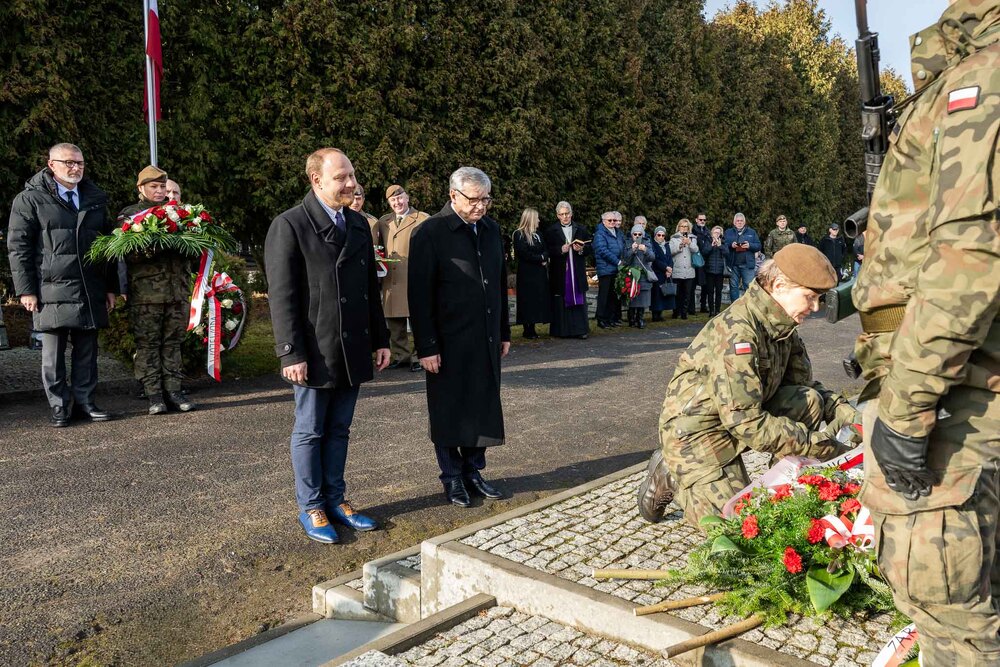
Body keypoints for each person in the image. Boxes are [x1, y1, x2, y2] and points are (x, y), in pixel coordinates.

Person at [852, 2, 999, 662]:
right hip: (964, 374)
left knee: (949, 606)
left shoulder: (985, 75)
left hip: (957, 391)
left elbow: (969, 256)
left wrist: (906, 414)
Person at [638, 245, 857, 528]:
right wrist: (824, 447)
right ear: (779, 285)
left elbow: (804, 386)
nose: (815, 308)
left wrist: (849, 414)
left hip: (739, 416)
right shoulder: (738, 332)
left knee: (809, 400)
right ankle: (671, 472)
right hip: (697, 434)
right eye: (810, 297)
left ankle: (786, 483)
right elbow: (746, 423)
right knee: (738, 530)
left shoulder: (781, 325)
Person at [264, 147, 391, 543]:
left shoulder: (356, 224)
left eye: (352, 175)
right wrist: (291, 352)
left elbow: (368, 287)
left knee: (339, 429)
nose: (351, 184)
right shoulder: (290, 225)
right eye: (342, 178)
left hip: (351, 346)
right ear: (316, 180)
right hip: (314, 348)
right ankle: (312, 505)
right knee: (310, 430)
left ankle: (336, 499)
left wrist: (381, 338)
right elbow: (282, 295)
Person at [408, 167, 511, 508]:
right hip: (447, 341)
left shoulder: (492, 230)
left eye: (486, 199)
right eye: (473, 200)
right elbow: (419, 295)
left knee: (481, 405)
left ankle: (473, 470)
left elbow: (498, 283)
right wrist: (426, 346)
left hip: (485, 336)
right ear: (453, 195)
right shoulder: (430, 233)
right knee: (450, 409)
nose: (480, 206)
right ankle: (451, 476)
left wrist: (503, 331)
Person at [7, 142, 116, 426]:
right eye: (68, 162)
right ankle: (59, 406)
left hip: (89, 286)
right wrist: (26, 289)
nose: (75, 168)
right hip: (48, 288)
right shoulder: (29, 199)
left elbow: (109, 246)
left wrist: (110, 287)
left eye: (79, 163)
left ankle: (85, 403)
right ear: (51, 164)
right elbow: (18, 247)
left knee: (87, 352)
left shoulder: (94, 197)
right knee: (52, 355)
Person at [119, 166, 196, 415]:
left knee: (174, 343)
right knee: (148, 345)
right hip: (147, 295)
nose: (160, 191)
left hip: (177, 292)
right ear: (141, 188)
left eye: (163, 187)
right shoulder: (130, 217)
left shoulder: (180, 214)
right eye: (154, 186)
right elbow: (126, 255)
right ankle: (154, 395)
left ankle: (174, 391)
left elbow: (193, 253)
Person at [377, 185, 429, 371]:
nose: (397, 202)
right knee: (394, 322)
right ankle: (401, 355)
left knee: (418, 320)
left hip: (414, 276)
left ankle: (419, 356)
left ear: (407, 198)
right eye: (393, 200)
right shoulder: (383, 222)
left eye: (400, 198)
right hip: (391, 278)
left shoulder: (422, 219)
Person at [542, 201, 591, 338]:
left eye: (567, 213)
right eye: (562, 214)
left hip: (577, 271)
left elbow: (589, 248)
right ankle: (562, 331)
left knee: (578, 298)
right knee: (561, 301)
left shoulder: (581, 229)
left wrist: (581, 249)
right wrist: (560, 250)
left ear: (571, 213)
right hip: (560, 272)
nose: (565, 217)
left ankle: (580, 330)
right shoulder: (551, 231)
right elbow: (547, 250)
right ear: (557, 215)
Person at [512, 208, 550, 339]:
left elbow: (546, 250)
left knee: (537, 299)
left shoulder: (538, 234)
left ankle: (533, 326)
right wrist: (540, 259)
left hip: (539, 273)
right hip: (527, 274)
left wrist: (544, 257)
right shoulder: (519, 234)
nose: (539, 220)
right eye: (537, 218)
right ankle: (526, 329)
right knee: (527, 300)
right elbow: (523, 253)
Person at [592, 211, 625, 329]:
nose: (612, 222)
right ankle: (601, 319)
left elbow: (623, 247)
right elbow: (602, 250)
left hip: (616, 269)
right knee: (604, 296)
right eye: (610, 220)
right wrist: (617, 261)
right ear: (603, 221)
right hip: (605, 269)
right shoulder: (600, 234)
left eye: (614, 220)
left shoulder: (618, 233)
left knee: (613, 296)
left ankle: (611, 319)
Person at [723, 213, 761, 302]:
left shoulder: (752, 232)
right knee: (733, 287)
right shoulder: (728, 232)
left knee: (748, 286)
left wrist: (749, 245)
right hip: (733, 265)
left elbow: (758, 246)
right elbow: (723, 245)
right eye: (737, 221)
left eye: (741, 221)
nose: (739, 222)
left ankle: (749, 306)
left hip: (747, 265)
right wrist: (730, 245)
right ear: (734, 222)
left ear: (744, 222)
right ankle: (735, 308)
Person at [624, 223, 655, 328]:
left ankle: (640, 319)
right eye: (635, 234)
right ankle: (631, 318)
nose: (637, 236)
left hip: (643, 274)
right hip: (631, 274)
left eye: (640, 234)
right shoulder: (627, 243)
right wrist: (632, 250)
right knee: (632, 296)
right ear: (632, 235)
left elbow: (652, 257)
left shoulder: (647, 243)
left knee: (642, 298)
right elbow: (625, 259)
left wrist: (645, 250)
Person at [668, 218, 699, 320]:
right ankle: (676, 311)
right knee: (677, 293)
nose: (684, 228)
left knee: (687, 293)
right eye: (682, 226)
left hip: (689, 270)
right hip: (677, 269)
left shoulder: (693, 238)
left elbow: (696, 250)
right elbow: (670, 251)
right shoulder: (674, 238)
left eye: (686, 226)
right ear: (679, 227)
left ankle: (684, 312)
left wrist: (689, 243)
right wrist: (680, 246)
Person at [649, 226, 674, 321]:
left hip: (666, 273)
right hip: (657, 272)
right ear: (655, 235)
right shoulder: (652, 245)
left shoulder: (666, 245)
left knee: (663, 294)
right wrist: (665, 268)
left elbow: (670, 258)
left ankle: (660, 314)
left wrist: (670, 268)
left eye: (663, 235)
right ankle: (655, 315)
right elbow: (655, 259)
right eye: (659, 235)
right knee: (656, 295)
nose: (661, 237)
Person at [690, 213, 712, 314]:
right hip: (696, 260)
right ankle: (692, 308)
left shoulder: (708, 231)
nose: (702, 221)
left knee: (705, 285)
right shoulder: (692, 230)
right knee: (693, 285)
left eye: (704, 220)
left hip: (706, 260)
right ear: (696, 220)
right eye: (700, 219)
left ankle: (703, 306)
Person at [703, 225, 727, 316]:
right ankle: (711, 310)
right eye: (715, 232)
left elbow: (727, 253)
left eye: (718, 232)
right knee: (710, 291)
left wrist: (720, 246)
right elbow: (704, 252)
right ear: (712, 233)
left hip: (720, 271)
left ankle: (717, 310)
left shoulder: (723, 242)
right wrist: (711, 246)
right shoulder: (708, 241)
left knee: (718, 291)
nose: (717, 234)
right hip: (709, 270)